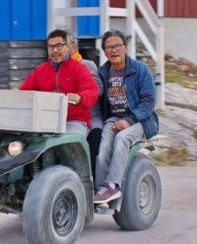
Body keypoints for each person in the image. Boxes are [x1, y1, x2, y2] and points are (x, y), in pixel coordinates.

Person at [93, 30, 159, 204]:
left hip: (140, 120)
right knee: (104, 147)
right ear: (104, 51)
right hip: (114, 119)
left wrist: (129, 120)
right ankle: (101, 189)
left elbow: (149, 101)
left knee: (122, 138)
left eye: (117, 46)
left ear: (125, 48)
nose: (114, 50)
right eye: (109, 47)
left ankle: (112, 184)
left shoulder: (140, 70)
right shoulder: (103, 73)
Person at [20, 29, 99, 137]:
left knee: (68, 142)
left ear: (68, 47)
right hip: (45, 121)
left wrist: (80, 97)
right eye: (51, 47)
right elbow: (24, 92)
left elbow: (92, 91)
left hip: (74, 121)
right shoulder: (40, 70)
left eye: (59, 46)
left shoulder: (79, 69)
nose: (55, 50)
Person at [68, 33, 104, 170]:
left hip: (90, 118)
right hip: (67, 118)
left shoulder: (87, 65)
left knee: (95, 138)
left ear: (73, 47)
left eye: (63, 45)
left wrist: (78, 95)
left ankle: (93, 181)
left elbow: (98, 89)